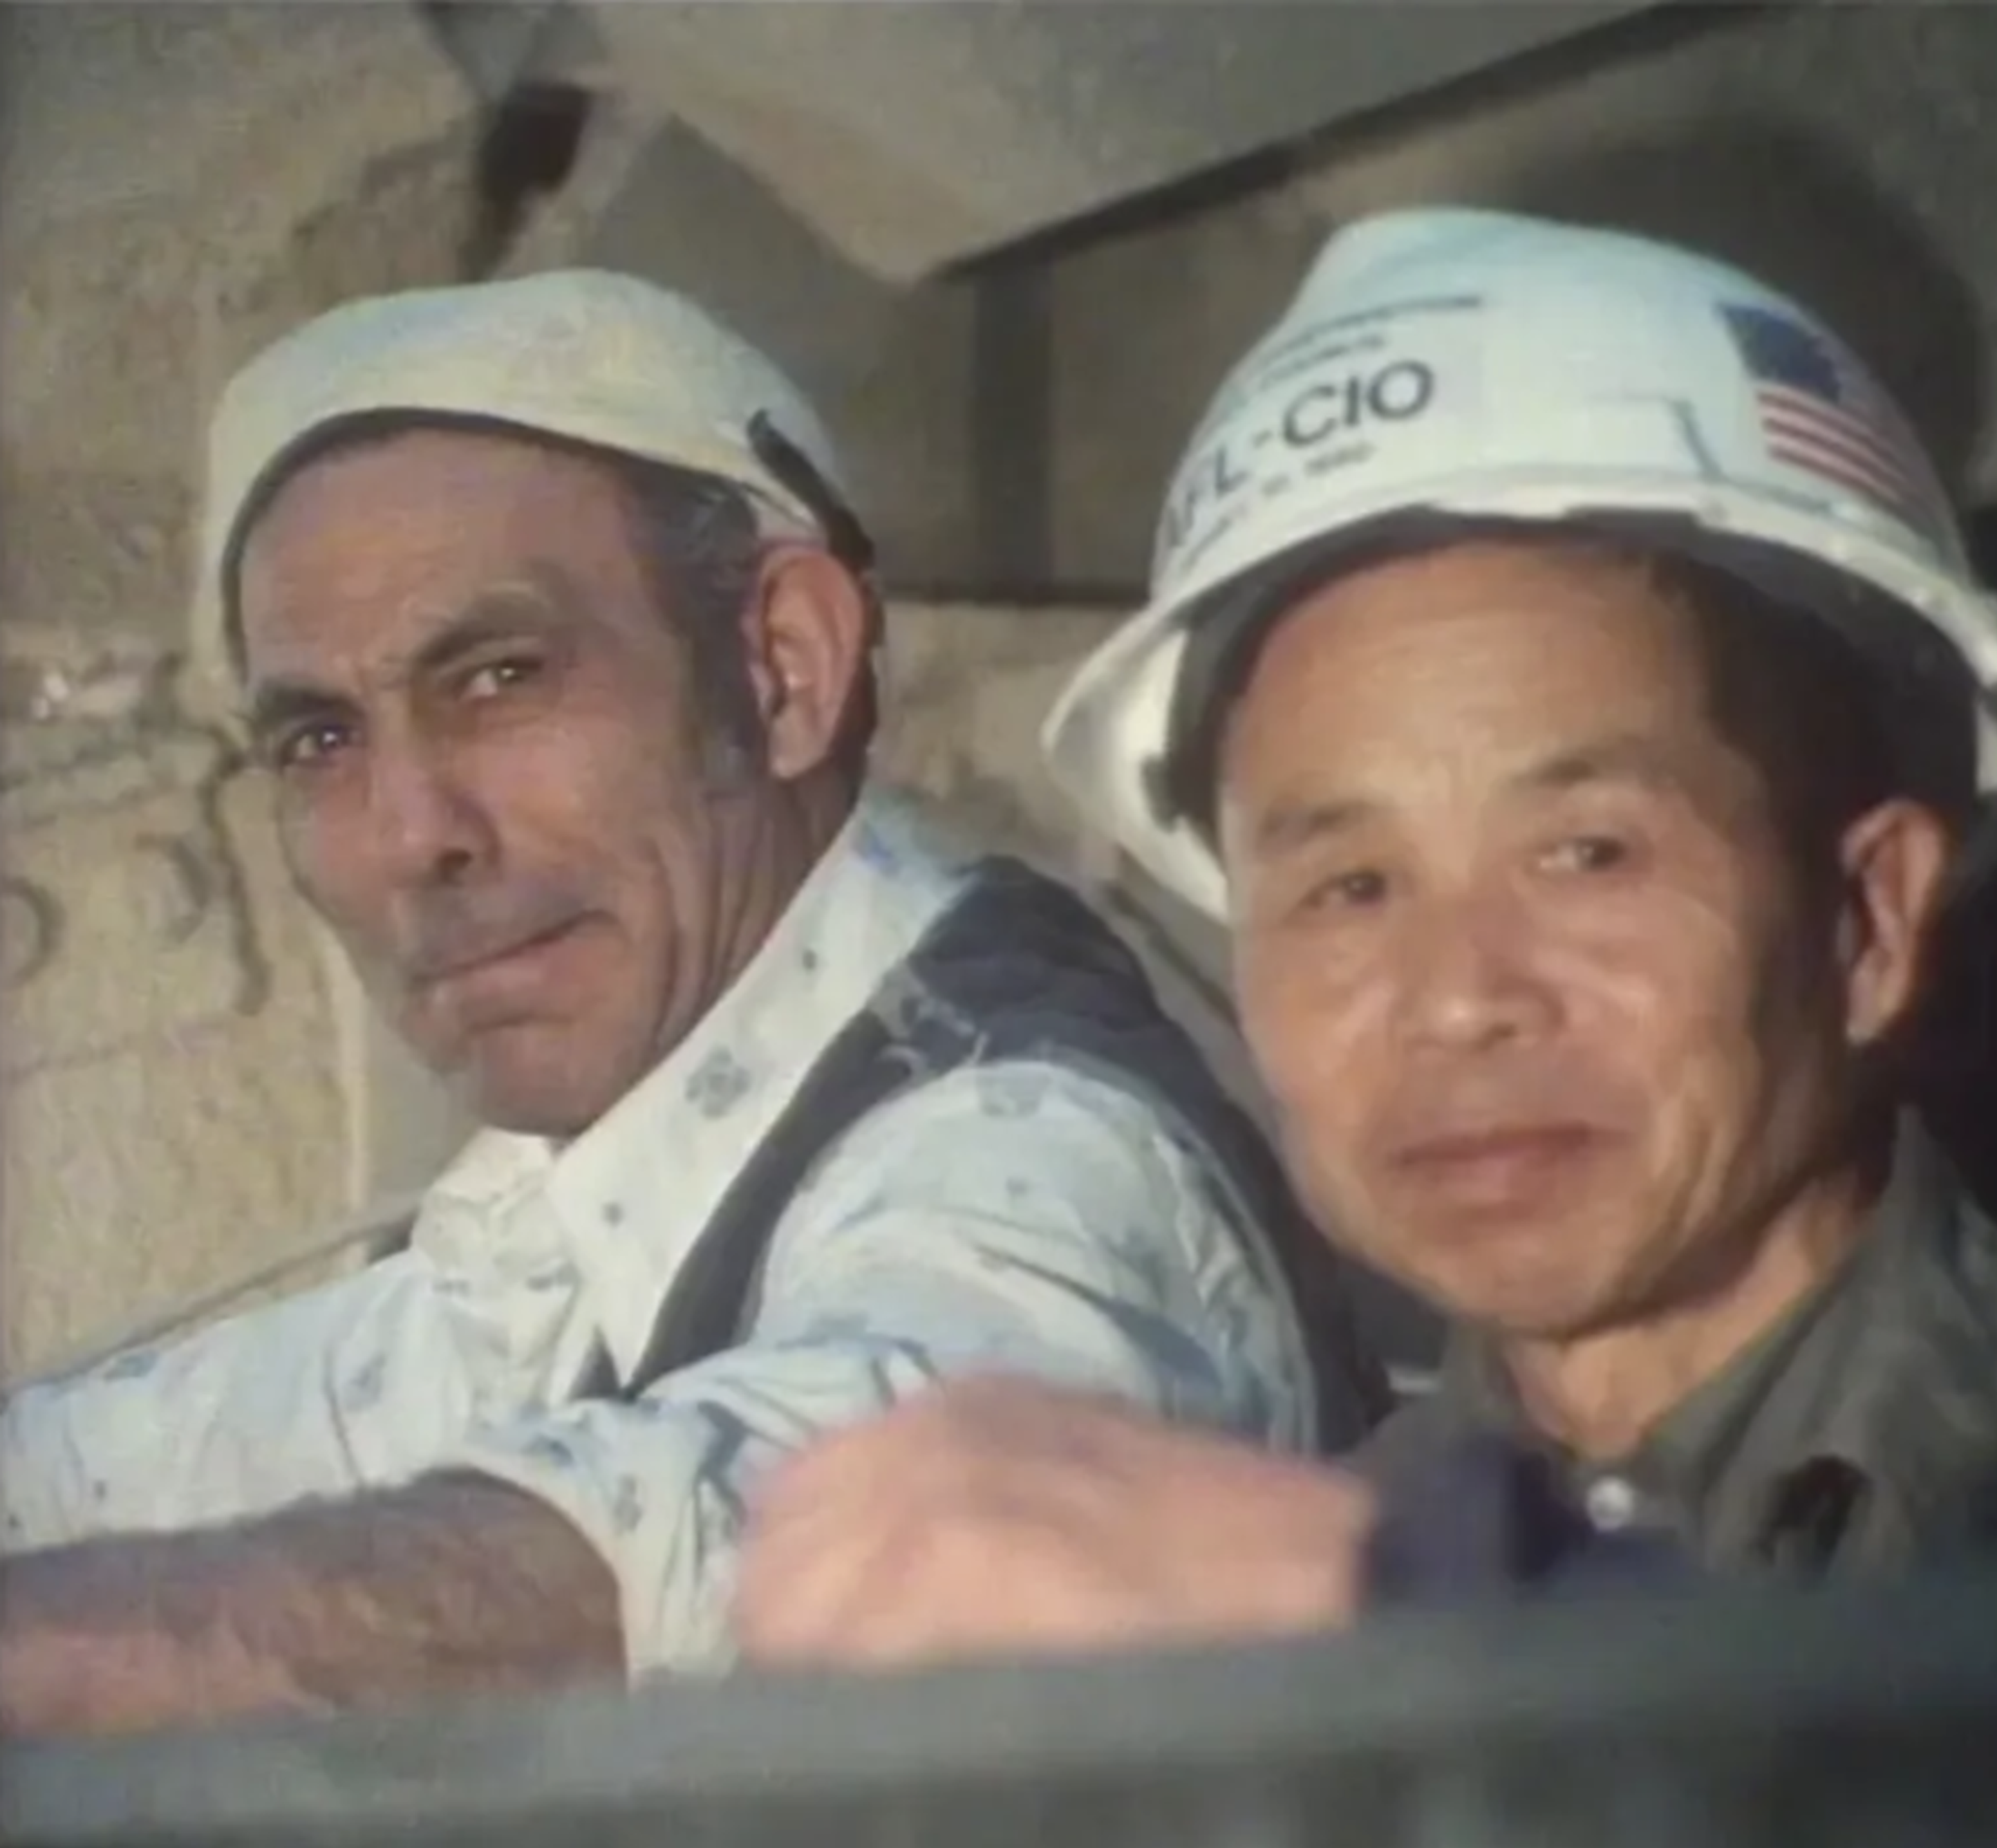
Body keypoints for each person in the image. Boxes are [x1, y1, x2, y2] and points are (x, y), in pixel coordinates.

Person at [734, 207, 1997, 1671]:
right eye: (1349, 887)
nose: (1460, 1000)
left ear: (1868, 918)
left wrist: (1402, 1609)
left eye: (1586, 852)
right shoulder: (1257, 1604)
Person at [0, 270, 1376, 1735]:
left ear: (786, 667)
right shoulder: (598, 1187)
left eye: (500, 677)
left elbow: (778, 1526)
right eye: (321, 740)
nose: (411, 835)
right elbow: (227, 1431)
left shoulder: (1037, 1156)